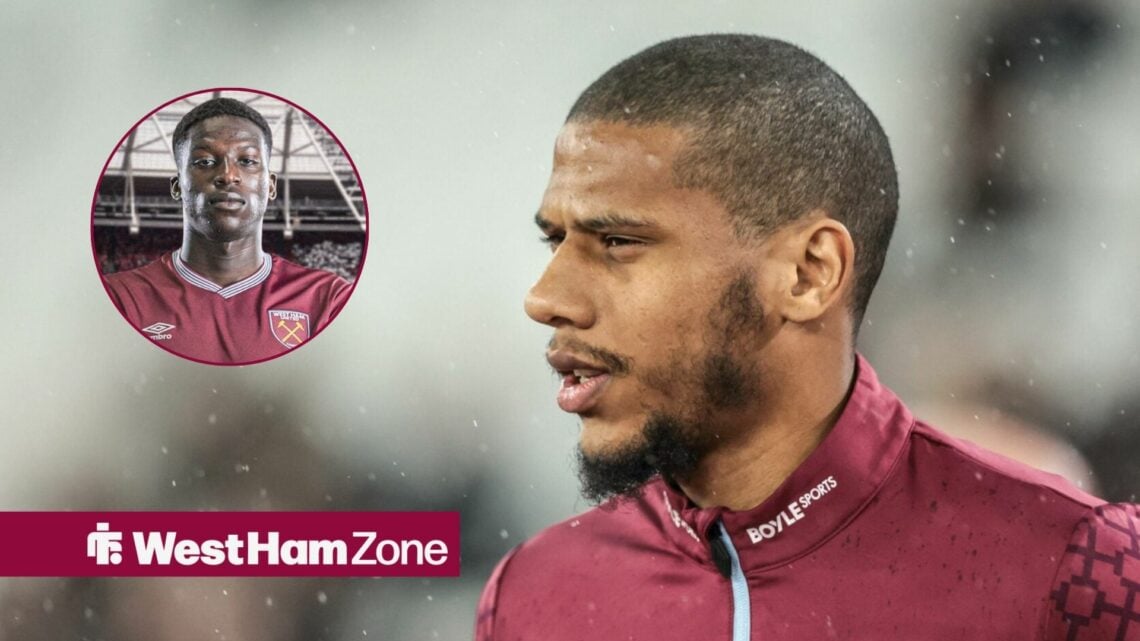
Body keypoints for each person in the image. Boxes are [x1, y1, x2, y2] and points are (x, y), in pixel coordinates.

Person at [475, 35, 1140, 640]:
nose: (545, 299)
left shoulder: (1080, 566)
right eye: (556, 240)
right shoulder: (529, 597)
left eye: (619, 241)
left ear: (808, 273)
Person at [102, 97, 353, 364]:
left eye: (247, 161)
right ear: (177, 186)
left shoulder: (328, 300)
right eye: (205, 161)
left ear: (270, 186)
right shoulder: (118, 298)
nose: (228, 175)